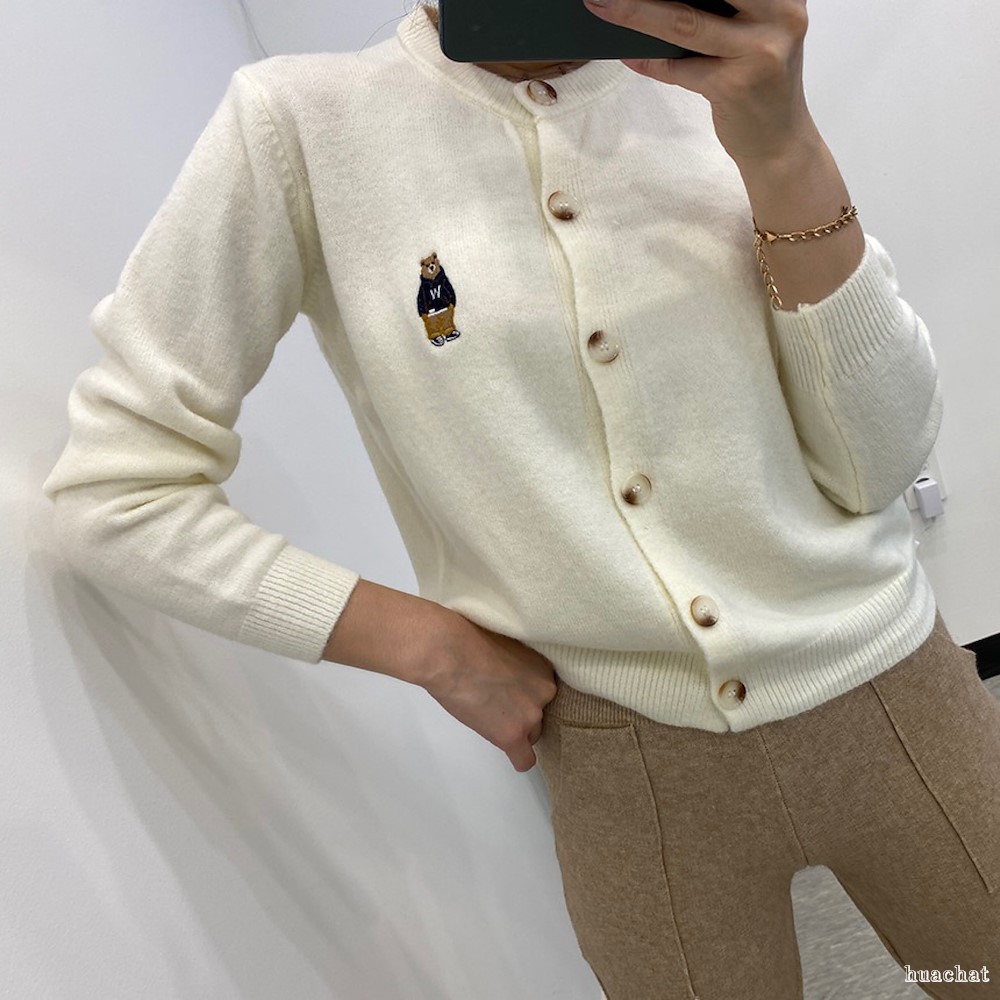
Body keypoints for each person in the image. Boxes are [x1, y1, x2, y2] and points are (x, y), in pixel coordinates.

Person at [42, 1, 1000, 996]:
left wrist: (784, 146)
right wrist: (427, 645)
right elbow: (117, 487)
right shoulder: (302, 125)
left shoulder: (720, 78)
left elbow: (878, 464)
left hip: (895, 700)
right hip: (630, 773)